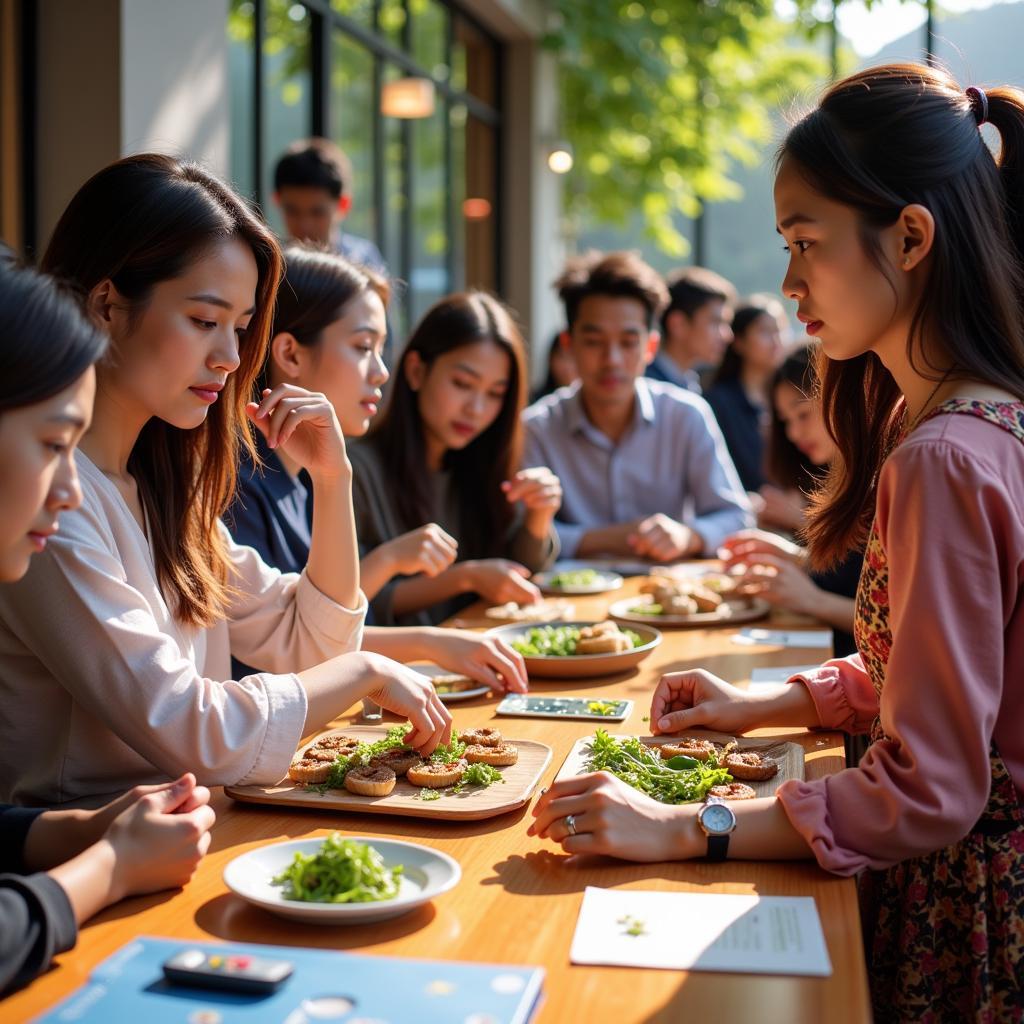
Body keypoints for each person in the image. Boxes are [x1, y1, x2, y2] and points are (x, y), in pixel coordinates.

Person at [529, 65, 1024, 1022]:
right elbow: (950, 689)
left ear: (912, 237)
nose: (790, 282)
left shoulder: (946, 459)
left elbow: (933, 788)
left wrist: (683, 827)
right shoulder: (981, 425)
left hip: (963, 917)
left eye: (807, 244)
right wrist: (764, 703)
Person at [0, 154, 451, 809]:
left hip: (186, 844)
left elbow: (309, 639)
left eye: (241, 328)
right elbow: (193, 729)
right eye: (204, 321)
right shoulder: (49, 508)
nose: (232, 357)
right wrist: (365, 671)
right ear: (106, 304)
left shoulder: (162, 489)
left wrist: (332, 477)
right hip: (90, 868)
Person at [0, 260, 214, 995]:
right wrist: (108, 866)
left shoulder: (158, 491)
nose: (68, 492)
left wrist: (72, 830)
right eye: (54, 445)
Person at [227, 246, 526, 692]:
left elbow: (319, 636)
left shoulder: (304, 478)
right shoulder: (238, 484)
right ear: (290, 354)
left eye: (381, 349)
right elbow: (300, 645)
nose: (382, 372)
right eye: (364, 347)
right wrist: (431, 641)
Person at [521, 251, 752, 562]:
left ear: (651, 347)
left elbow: (736, 517)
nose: (612, 360)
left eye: (628, 342)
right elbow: (521, 537)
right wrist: (612, 538)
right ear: (568, 345)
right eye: (593, 341)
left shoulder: (686, 415)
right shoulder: (536, 428)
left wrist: (687, 536)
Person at [349, 292, 561, 626]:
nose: (476, 409)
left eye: (495, 394)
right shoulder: (355, 469)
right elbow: (349, 601)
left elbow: (524, 572)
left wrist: (540, 515)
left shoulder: (480, 462)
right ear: (416, 371)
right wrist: (466, 577)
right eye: (463, 384)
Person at [719, 345, 860, 658]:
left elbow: (902, 624)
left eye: (803, 414)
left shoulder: (886, 476)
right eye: (785, 420)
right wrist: (796, 558)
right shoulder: (840, 475)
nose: (794, 433)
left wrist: (814, 601)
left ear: (840, 395)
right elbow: (856, 577)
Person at [704, 294, 786, 492]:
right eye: (765, 332)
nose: (776, 341)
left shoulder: (791, 397)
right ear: (739, 341)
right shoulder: (718, 402)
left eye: (780, 331)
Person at [273, 137, 386, 275]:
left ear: (343, 205)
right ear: (277, 200)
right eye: (292, 211)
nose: (305, 225)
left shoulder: (363, 261)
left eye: (317, 212)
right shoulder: (269, 266)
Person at [646, 265, 735, 393]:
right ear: (678, 324)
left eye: (727, 324)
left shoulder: (689, 384)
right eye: (715, 322)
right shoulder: (647, 389)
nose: (727, 335)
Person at [530, 330, 578, 403]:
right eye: (561, 357)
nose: (567, 366)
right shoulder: (535, 403)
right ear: (550, 358)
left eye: (572, 357)